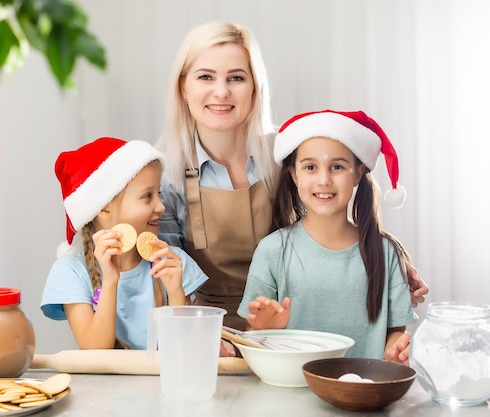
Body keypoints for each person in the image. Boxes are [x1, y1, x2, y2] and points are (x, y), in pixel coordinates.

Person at [155, 21, 428, 334]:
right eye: (205, 77)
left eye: (237, 78)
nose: (221, 91)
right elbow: (166, 274)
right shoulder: (164, 175)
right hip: (209, 334)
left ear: (255, 88)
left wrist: (389, 259)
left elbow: (336, 215)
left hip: (294, 328)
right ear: (183, 89)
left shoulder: (286, 151)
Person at [237, 110, 417, 364]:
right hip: (290, 395)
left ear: (357, 173)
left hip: (362, 395)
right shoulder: (271, 251)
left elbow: (394, 332)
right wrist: (264, 329)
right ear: (294, 174)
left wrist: (395, 350)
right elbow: (254, 340)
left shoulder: (385, 253)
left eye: (337, 167)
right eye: (310, 167)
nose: (324, 180)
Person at [40, 137, 208, 350]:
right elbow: (95, 352)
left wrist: (176, 292)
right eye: (147, 196)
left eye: (159, 194)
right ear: (104, 208)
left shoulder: (172, 262)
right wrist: (110, 280)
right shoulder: (71, 271)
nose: (161, 206)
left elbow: (186, 349)